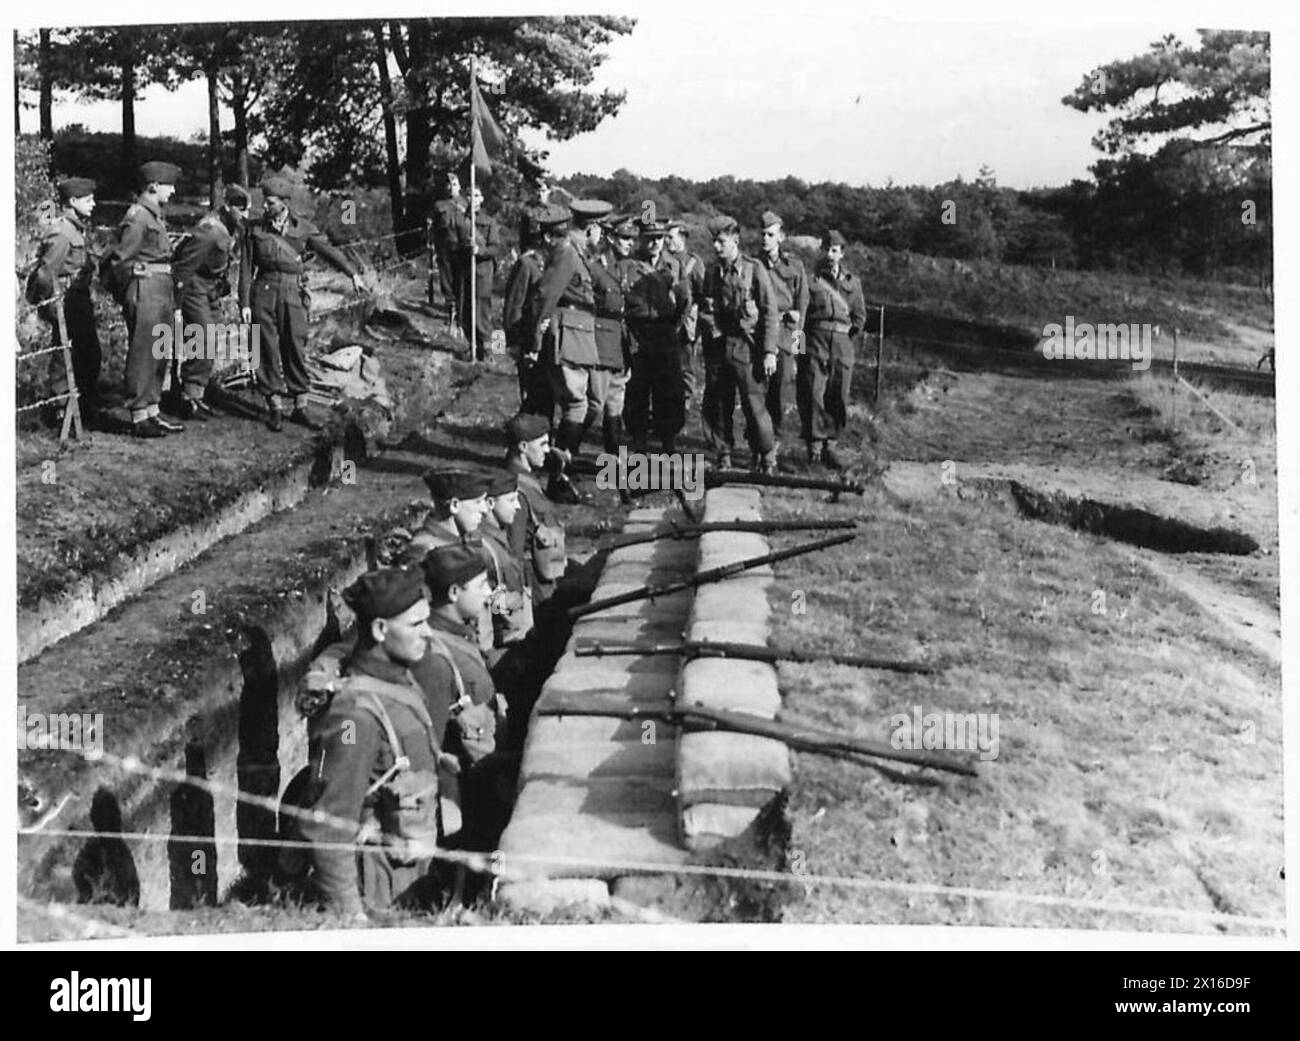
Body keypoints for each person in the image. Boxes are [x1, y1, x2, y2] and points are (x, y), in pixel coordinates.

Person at [289, 567, 453, 917]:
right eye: (415, 624)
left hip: (404, 876)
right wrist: (351, 920)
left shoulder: (396, 681)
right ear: (380, 629)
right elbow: (329, 829)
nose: (428, 633)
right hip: (376, 895)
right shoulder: (354, 717)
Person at [238, 175, 367, 432]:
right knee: (265, 347)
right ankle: (274, 405)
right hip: (263, 290)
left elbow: (329, 252)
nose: (265, 207)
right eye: (265, 202)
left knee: (295, 345)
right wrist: (244, 303)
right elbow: (245, 268)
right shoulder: (254, 229)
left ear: (284, 203)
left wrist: (352, 274)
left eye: (271, 202)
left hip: (293, 292)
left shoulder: (303, 228)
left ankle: (299, 406)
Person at [410, 546, 509, 854]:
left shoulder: (460, 635)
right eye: (481, 585)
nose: (489, 593)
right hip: (461, 796)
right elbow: (430, 748)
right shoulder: (433, 656)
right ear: (454, 592)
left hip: (481, 776)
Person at [532, 198, 614, 498]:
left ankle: (562, 469)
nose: (601, 237)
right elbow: (544, 296)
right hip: (568, 334)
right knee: (574, 405)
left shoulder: (577, 253)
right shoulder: (568, 253)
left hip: (578, 336)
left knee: (584, 404)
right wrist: (531, 343)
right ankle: (558, 476)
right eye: (600, 230)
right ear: (591, 228)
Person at [100, 160, 183, 439]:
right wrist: (128, 294)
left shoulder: (154, 215)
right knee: (143, 352)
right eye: (168, 186)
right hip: (145, 289)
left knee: (159, 351)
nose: (172, 191)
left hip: (160, 290)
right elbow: (122, 260)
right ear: (154, 186)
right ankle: (138, 414)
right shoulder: (137, 217)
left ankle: (152, 410)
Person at [698, 214, 780, 473]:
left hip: (747, 347)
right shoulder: (711, 273)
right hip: (720, 346)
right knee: (718, 404)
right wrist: (712, 329)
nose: (716, 246)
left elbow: (770, 313)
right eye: (714, 241)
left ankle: (766, 457)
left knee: (754, 406)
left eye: (721, 241)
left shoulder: (754, 269)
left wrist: (769, 352)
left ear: (735, 241)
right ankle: (723, 454)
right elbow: (706, 308)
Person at [168, 183, 251, 421]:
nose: (244, 216)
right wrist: (176, 305)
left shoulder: (228, 227)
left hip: (210, 288)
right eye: (240, 210)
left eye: (246, 211)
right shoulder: (210, 230)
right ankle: (187, 396)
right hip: (194, 287)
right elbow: (183, 267)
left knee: (212, 339)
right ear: (228, 207)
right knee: (203, 336)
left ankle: (196, 393)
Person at [28, 176, 102, 423]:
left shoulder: (76, 227)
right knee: (68, 352)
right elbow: (45, 273)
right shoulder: (62, 232)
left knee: (84, 352)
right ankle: (61, 409)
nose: (93, 204)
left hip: (77, 298)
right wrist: (48, 305)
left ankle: (78, 406)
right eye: (88, 200)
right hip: (66, 300)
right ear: (72, 201)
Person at [800, 230, 866, 471]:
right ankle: (815, 449)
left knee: (838, 394)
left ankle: (831, 445)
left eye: (835, 250)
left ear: (842, 253)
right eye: (826, 249)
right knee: (813, 393)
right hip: (815, 340)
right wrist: (801, 351)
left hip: (842, 343)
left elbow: (860, 317)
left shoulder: (853, 282)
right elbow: (801, 317)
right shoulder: (810, 280)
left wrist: (846, 341)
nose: (830, 255)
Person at [623, 218, 690, 455]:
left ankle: (668, 440)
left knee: (670, 389)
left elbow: (685, 300)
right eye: (649, 238)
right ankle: (638, 439)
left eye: (659, 238)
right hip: (638, 331)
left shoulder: (673, 265)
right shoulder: (628, 265)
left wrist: (674, 326)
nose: (655, 243)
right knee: (638, 388)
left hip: (665, 331)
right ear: (640, 239)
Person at [757, 210, 809, 456]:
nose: (765, 239)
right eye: (762, 234)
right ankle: (757, 442)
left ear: (781, 238)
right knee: (756, 393)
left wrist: (798, 353)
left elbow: (802, 311)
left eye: (770, 235)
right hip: (760, 337)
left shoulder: (795, 267)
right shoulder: (753, 265)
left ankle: (772, 444)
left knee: (778, 394)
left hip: (787, 339)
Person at [503, 412, 567, 605]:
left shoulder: (527, 479)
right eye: (542, 444)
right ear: (523, 447)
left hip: (543, 573)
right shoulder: (516, 491)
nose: (547, 450)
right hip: (533, 583)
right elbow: (514, 551)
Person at [589, 214, 634, 464]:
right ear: (610, 238)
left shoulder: (624, 267)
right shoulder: (595, 268)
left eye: (630, 239)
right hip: (599, 344)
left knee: (614, 407)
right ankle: (564, 454)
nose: (629, 243)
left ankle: (614, 462)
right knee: (593, 404)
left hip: (619, 346)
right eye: (624, 238)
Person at [502, 207, 550, 415]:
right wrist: (512, 342)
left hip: (551, 340)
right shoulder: (527, 264)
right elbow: (514, 305)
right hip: (529, 340)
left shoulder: (555, 263)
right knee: (532, 397)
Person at [665, 219, 706, 411]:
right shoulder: (662, 259)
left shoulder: (693, 262)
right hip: (665, 319)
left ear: (682, 238)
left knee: (686, 363)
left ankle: (686, 401)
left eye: (670, 237)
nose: (666, 241)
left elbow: (703, 292)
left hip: (687, 322)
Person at [461, 182, 503, 357]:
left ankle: (495, 350)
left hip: (482, 271)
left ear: (482, 199)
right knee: (465, 310)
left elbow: (495, 248)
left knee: (483, 311)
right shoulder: (461, 219)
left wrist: (479, 250)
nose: (473, 199)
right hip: (464, 270)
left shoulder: (489, 222)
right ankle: (473, 346)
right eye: (470, 195)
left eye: (476, 195)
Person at [429, 170, 470, 320]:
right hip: (444, 246)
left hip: (460, 246)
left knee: (460, 277)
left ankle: (460, 307)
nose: (451, 187)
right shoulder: (439, 205)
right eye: (448, 184)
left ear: (459, 186)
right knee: (446, 277)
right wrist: (432, 245)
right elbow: (433, 226)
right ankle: (450, 305)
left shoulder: (465, 203)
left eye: (454, 184)